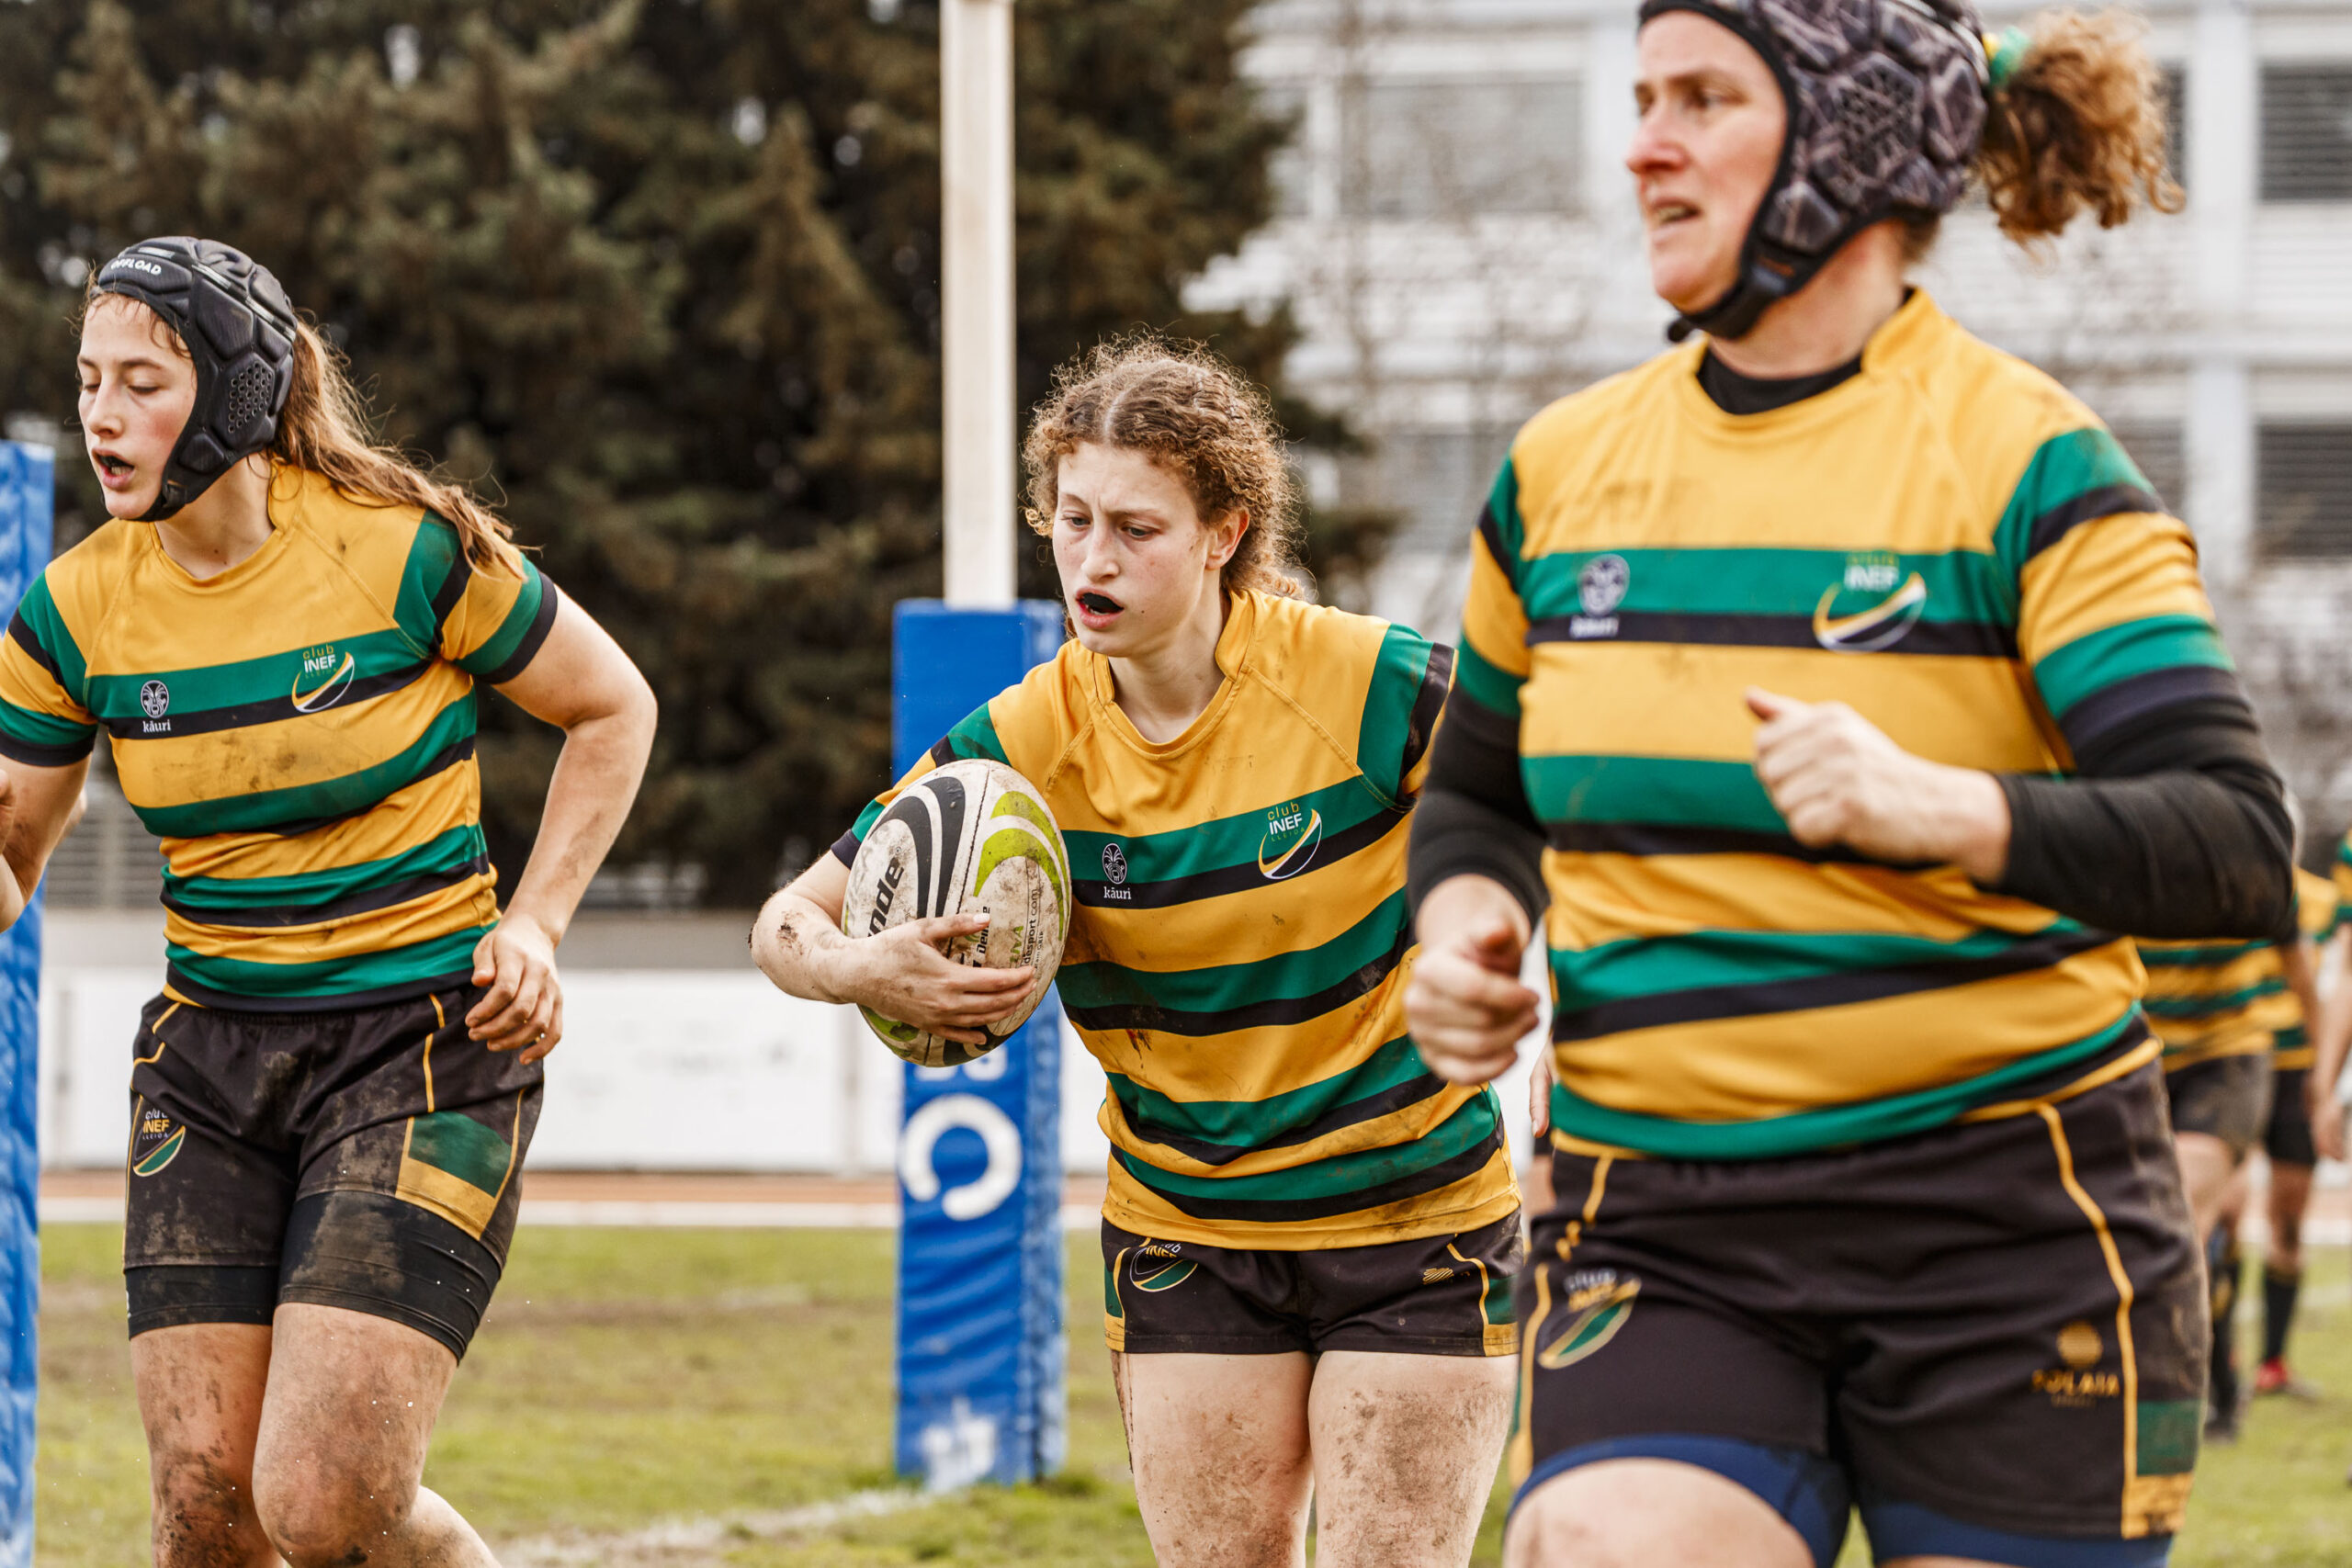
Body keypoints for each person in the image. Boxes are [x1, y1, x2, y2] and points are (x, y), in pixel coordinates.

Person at [1401, 4, 2296, 1565]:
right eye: (1643, 98)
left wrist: (1941, 807)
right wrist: (1462, 925)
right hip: (1663, 1218)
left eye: (1702, 99)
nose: (1644, 146)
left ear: (1852, 142)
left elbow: (2233, 840)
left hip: (2009, 1227)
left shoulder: (2031, 462)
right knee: (1600, 1540)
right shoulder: (1557, 475)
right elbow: (1479, 794)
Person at [752, 339, 1521, 1567]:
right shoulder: (1021, 744)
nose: (1092, 559)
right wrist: (859, 968)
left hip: (1413, 1219)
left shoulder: (1361, 680)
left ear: (1225, 532)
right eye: (1072, 519)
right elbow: (786, 921)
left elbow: (1553, 780)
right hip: (1186, 1229)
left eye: (1135, 528)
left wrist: (1507, 944)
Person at [0, 238, 655, 1568]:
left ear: (238, 391)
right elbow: (12, 858)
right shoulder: (71, 611)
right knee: (205, 1515)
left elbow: (611, 706)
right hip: (208, 1066)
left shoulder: (401, 551)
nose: (102, 417)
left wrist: (533, 922)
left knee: (326, 1500)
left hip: (423, 1050)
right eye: (88, 382)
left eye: (142, 383)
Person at [2149, 860, 2335, 1436]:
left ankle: (2185, 1398)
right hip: (2142, 1058)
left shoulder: (2255, 865)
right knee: (2167, 1229)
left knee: (2188, 1219)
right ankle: (2219, 1382)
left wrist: (2323, 1080)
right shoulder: (2112, 857)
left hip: (2228, 1054)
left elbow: (2308, 978)